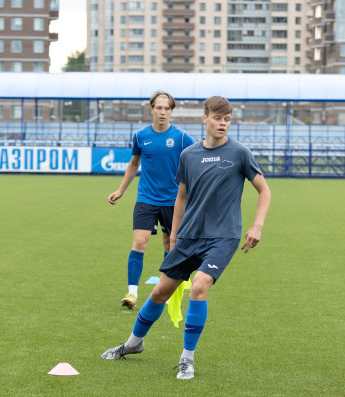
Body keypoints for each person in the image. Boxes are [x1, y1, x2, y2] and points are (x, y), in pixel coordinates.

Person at [100, 96, 271, 380]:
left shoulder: (239, 152)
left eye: (227, 119)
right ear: (204, 119)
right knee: (159, 293)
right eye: (217, 118)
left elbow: (264, 190)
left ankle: (186, 358)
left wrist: (257, 226)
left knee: (199, 287)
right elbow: (180, 198)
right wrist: (175, 235)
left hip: (223, 236)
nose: (223, 124)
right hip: (190, 235)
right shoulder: (188, 155)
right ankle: (133, 343)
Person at [108, 90, 195, 310]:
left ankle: (168, 289)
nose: (163, 112)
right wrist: (120, 191)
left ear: (172, 111)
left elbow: (198, 159)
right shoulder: (140, 136)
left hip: (173, 201)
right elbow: (133, 164)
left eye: (167, 108)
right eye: (159, 108)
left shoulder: (182, 137)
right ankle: (132, 293)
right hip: (146, 198)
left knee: (170, 244)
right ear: (152, 109)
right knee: (140, 242)